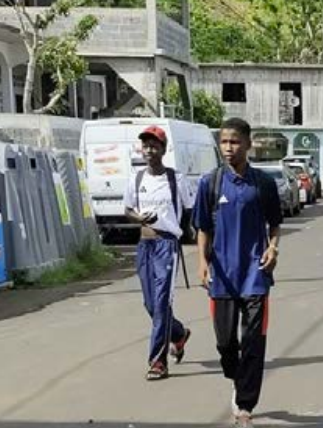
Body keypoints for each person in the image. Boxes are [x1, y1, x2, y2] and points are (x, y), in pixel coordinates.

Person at [194, 118, 283, 427]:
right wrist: (202, 263)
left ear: (247, 143)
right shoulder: (210, 183)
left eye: (234, 141)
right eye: (223, 142)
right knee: (225, 343)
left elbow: (275, 224)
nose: (228, 147)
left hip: (256, 275)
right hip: (222, 276)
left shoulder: (264, 184)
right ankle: (236, 377)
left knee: (255, 342)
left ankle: (245, 406)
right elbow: (203, 228)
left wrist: (273, 248)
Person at [123, 125, 191, 381]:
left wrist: (182, 237)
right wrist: (138, 217)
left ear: (163, 149)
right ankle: (178, 334)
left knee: (162, 303)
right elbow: (128, 209)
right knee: (151, 305)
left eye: (155, 146)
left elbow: (190, 209)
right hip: (145, 246)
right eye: (146, 146)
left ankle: (157, 361)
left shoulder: (176, 179)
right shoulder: (136, 179)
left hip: (166, 246)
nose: (149, 150)